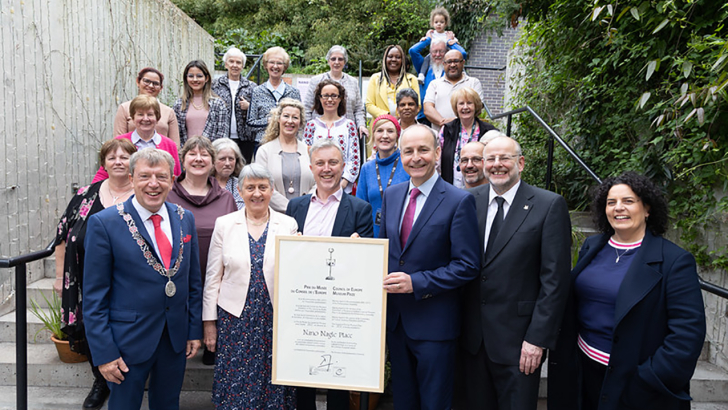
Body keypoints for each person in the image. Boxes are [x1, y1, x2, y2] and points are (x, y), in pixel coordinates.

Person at [548, 172, 706, 410]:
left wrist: (647, 381)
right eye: (611, 203)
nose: (618, 208)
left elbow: (687, 335)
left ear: (647, 209)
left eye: (628, 201)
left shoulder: (675, 261)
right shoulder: (592, 246)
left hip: (634, 383)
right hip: (583, 370)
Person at [457, 135, 571, 410]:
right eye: (491, 159)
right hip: (472, 341)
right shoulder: (468, 201)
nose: (497, 165)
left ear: (520, 162)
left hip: (519, 343)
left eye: (504, 158)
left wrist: (537, 339)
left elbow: (555, 280)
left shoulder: (549, 205)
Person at [83, 149, 202, 409]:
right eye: (145, 176)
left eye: (161, 176)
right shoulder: (105, 223)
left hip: (174, 338)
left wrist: (194, 330)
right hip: (126, 341)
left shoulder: (185, 219)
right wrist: (104, 353)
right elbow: (93, 297)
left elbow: (193, 282)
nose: (153, 184)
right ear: (132, 178)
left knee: (168, 404)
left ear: (172, 180)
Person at [378, 124, 480, 410]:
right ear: (400, 154)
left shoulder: (459, 201)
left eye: (423, 150)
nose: (416, 157)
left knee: (434, 404)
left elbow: (467, 265)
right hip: (397, 324)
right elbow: (386, 250)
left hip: (435, 326)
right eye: (408, 151)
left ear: (437, 153)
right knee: (404, 402)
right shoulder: (392, 195)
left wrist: (417, 282)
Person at [285, 138, 374, 410]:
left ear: (344, 167)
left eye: (333, 163)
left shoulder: (360, 209)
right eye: (320, 163)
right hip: (304, 304)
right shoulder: (295, 207)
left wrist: (359, 252)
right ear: (311, 167)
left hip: (341, 306)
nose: (327, 169)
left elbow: (366, 265)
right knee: (302, 374)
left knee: (339, 376)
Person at [203, 163, 298, 409]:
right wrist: (209, 323)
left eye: (263, 187)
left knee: (272, 378)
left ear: (272, 190)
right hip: (235, 318)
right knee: (236, 378)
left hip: (273, 318)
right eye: (250, 187)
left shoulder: (288, 225)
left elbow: (296, 273)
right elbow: (213, 276)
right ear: (241, 192)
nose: (257, 193)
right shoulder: (224, 224)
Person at [54, 139, 137, 410]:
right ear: (104, 163)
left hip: (130, 280)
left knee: (127, 326)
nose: (118, 161)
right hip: (87, 279)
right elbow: (63, 236)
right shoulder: (85, 195)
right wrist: (58, 276)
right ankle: (100, 380)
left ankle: (130, 374)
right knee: (93, 327)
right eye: (112, 157)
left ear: (133, 163)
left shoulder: (144, 193)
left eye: (125, 157)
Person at [167, 136, 237, 287]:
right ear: (183, 160)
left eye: (204, 155)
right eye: (192, 154)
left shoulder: (226, 198)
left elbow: (234, 243)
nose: (198, 159)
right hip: (175, 281)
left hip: (216, 281)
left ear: (212, 163)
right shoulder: (167, 196)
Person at [93, 94, 181, 183]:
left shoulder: (169, 145)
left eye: (150, 114)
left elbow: (176, 177)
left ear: (157, 118)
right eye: (140, 114)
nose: (145, 119)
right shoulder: (119, 142)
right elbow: (103, 174)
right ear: (133, 118)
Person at [255, 98, 315, 213]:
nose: (290, 121)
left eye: (295, 117)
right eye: (286, 116)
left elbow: (317, 183)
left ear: (301, 123)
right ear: (278, 119)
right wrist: (291, 208)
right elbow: (263, 185)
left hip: (307, 214)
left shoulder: (309, 151)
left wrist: (304, 206)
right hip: (274, 217)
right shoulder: (264, 152)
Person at [356, 114, 410, 237]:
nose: (384, 135)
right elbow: (360, 206)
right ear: (373, 135)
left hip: (401, 235)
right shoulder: (366, 168)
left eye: (390, 131)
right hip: (372, 236)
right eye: (380, 131)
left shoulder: (407, 164)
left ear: (397, 136)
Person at [303, 79, 360, 194]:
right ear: (320, 98)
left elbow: (354, 159)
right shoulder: (311, 126)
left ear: (340, 99)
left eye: (334, 96)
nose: (329, 100)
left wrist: (342, 184)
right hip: (316, 189)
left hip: (343, 190)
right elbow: (306, 157)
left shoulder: (349, 125)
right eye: (326, 96)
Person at [304, 45, 368, 139]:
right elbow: (307, 107)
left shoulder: (353, 82)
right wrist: (309, 128)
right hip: (320, 133)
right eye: (333, 59)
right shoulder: (316, 81)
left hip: (346, 134)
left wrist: (361, 125)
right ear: (328, 61)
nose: (336, 62)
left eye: (340, 59)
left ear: (345, 62)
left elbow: (358, 109)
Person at [439, 87, 497, 187]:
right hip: (450, 186)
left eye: (469, 103)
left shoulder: (489, 131)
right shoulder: (447, 130)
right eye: (461, 103)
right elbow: (438, 161)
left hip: (480, 188)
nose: (465, 107)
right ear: (456, 107)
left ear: (476, 106)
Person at [247, 47, 302, 146]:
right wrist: (269, 120)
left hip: (288, 143)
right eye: (272, 62)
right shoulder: (257, 91)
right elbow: (250, 123)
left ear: (284, 67)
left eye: (280, 63)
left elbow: (300, 121)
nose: (275, 66)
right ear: (266, 65)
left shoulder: (293, 92)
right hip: (263, 144)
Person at [113, 67, 181, 146]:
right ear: (138, 82)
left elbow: (175, 145)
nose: (151, 86)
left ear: (161, 88)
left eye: (156, 83)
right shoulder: (124, 108)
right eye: (147, 81)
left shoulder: (168, 112)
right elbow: (118, 142)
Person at [212, 47, 256, 164]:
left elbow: (258, 110)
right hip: (221, 135)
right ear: (226, 64)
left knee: (243, 168)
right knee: (223, 166)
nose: (235, 65)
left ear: (242, 66)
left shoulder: (251, 86)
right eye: (231, 61)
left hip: (246, 138)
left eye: (238, 62)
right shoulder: (215, 85)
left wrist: (249, 106)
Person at [174, 60, 229, 145]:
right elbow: (176, 135)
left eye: (199, 76)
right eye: (191, 76)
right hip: (186, 154)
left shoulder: (218, 104)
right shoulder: (179, 104)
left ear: (206, 78)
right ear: (186, 78)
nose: (195, 79)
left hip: (211, 154)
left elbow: (222, 136)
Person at [423, 50, 484, 128]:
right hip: (440, 135)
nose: (452, 65)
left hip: (467, 134)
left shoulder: (474, 82)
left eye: (456, 61)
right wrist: (444, 123)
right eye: (449, 62)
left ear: (463, 63)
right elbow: (428, 109)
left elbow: (478, 107)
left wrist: (456, 123)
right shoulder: (434, 84)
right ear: (443, 64)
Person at [366, 45, 420, 118]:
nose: (394, 59)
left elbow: (418, 104)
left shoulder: (412, 79)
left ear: (402, 60)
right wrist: (388, 117)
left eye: (398, 57)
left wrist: (402, 118)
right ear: (385, 59)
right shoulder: (375, 78)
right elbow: (369, 105)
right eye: (390, 56)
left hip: (406, 125)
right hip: (381, 125)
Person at [413, 7, 463, 85]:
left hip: (445, 56)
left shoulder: (448, 34)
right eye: (436, 22)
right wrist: (425, 39)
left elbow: (455, 43)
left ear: (446, 23)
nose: (439, 24)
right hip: (432, 55)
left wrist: (453, 41)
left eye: (441, 22)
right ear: (432, 23)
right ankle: (422, 75)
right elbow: (424, 41)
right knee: (426, 59)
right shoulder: (431, 33)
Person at [212, 138, 246, 210]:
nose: (227, 163)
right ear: (213, 161)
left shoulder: (242, 185)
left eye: (231, 159)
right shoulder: (205, 184)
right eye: (222, 159)